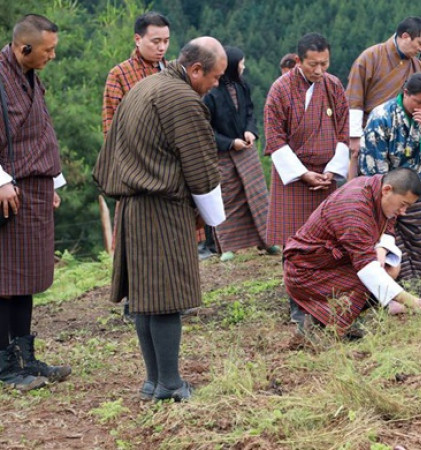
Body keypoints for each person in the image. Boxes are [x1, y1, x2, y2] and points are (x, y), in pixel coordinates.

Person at [94, 37, 227, 402]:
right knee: (166, 297)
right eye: (215, 77)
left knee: (144, 297)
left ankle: (153, 380)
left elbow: (109, 152)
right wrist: (212, 219)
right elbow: (201, 169)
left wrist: (121, 188)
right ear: (196, 69)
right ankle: (169, 382)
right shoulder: (182, 100)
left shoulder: (143, 87)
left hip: (133, 207)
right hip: (163, 208)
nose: (216, 84)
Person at [0, 14, 71, 391]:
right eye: (48, 50)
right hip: (8, 192)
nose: (53, 56)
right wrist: (1, 180)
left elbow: (39, 130)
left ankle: (25, 357)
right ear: (24, 48)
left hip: (34, 189)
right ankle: (5, 366)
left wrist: (52, 181)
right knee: (4, 280)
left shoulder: (27, 75)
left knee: (25, 277)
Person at [283, 168, 421, 337]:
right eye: (403, 205)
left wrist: (381, 249)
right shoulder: (354, 209)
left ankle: (340, 316)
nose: (403, 212)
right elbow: (368, 270)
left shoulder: (378, 189)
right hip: (306, 270)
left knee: (389, 268)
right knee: (371, 278)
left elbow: (388, 227)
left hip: (336, 261)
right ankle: (318, 320)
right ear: (387, 190)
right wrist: (413, 302)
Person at [264, 32, 349, 323]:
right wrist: (302, 174)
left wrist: (330, 171)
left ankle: (325, 296)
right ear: (299, 61)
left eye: (324, 63)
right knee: (294, 241)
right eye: (313, 64)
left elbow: (343, 132)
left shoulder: (334, 86)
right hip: (294, 176)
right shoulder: (280, 89)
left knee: (327, 239)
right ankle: (297, 302)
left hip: (326, 174)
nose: (319, 70)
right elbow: (274, 138)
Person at [359, 73, 421, 291]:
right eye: (418, 102)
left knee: (416, 238)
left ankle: (416, 284)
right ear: (406, 94)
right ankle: (395, 288)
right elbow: (373, 165)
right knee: (389, 238)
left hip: (414, 188)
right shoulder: (382, 116)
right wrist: (390, 198)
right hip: (385, 190)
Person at [203, 46, 270, 262]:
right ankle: (228, 246)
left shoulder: (242, 86)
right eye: (241, 63)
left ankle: (267, 240)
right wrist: (230, 142)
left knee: (258, 195)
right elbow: (206, 128)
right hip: (223, 154)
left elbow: (250, 112)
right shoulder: (211, 94)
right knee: (228, 199)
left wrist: (250, 131)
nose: (244, 66)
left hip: (246, 151)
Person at [346, 16, 421, 178]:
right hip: (370, 137)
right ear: (405, 36)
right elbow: (354, 99)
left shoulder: (418, 66)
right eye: (420, 43)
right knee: (369, 190)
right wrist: (354, 137)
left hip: (405, 143)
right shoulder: (370, 57)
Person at [102, 12, 170, 136]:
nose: (162, 47)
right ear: (138, 40)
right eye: (156, 42)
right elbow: (111, 127)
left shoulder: (172, 72)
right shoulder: (120, 74)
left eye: (166, 41)